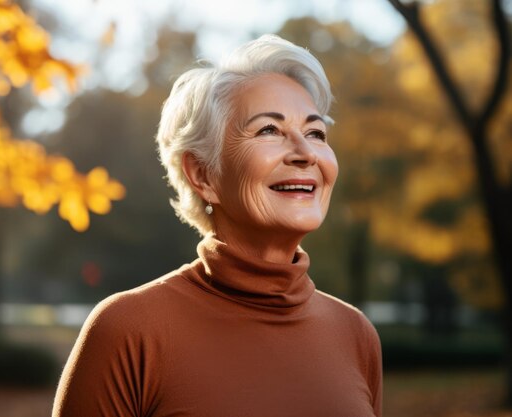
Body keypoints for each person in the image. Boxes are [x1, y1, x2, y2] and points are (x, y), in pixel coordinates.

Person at [53, 34, 383, 417]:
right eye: (268, 131)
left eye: (315, 133)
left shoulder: (356, 335)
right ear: (203, 174)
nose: (306, 153)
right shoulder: (127, 332)